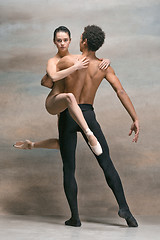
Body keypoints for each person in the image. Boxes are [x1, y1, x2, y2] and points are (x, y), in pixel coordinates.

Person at [41, 25, 139, 228]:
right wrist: (135, 118)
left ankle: (75, 218)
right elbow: (120, 91)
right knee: (107, 162)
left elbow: (47, 81)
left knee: (69, 168)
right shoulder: (104, 67)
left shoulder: (68, 61)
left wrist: (54, 79)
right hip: (88, 114)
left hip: (69, 115)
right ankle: (125, 210)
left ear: (84, 41)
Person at [14, 26, 110, 155]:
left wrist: (106, 60)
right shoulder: (53, 61)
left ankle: (30, 144)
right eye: (59, 40)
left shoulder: (77, 58)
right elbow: (52, 77)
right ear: (54, 42)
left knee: (63, 145)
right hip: (54, 102)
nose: (62, 43)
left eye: (65, 40)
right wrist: (75, 68)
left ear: (70, 40)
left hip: (69, 106)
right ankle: (89, 134)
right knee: (69, 96)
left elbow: (92, 59)